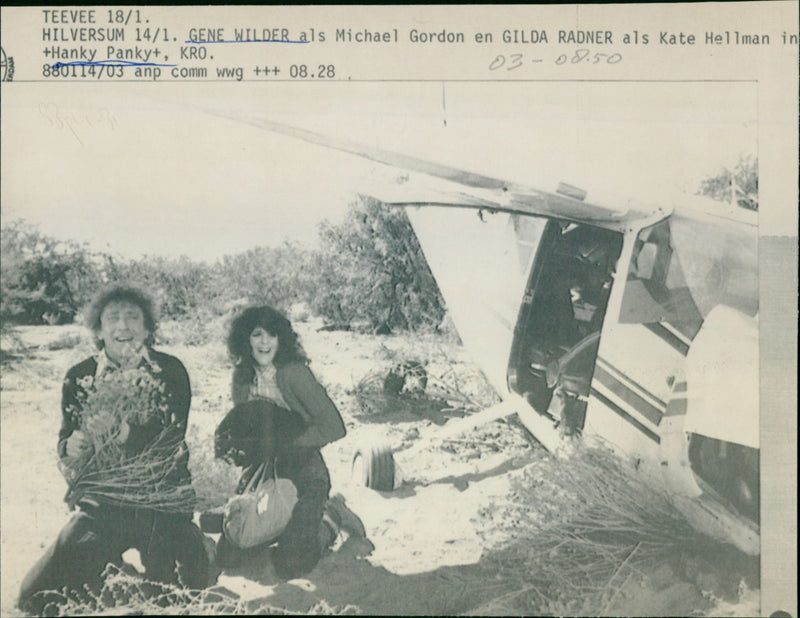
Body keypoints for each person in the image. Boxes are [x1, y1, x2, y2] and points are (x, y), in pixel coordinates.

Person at [18, 285, 209, 615]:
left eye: (133, 317)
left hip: (162, 505)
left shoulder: (171, 370)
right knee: (35, 597)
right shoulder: (79, 376)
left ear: (148, 328)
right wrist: (70, 446)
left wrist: (126, 435)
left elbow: (172, 436)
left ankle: (202, 547)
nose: (123, 327)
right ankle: (116, 566)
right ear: (99, 329)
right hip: (103, 508)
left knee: (177, 597)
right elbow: (66, 438)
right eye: (113, 318)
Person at [213, 305, 364, 580]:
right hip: (264, 468)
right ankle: (285, 525)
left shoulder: (294, 373)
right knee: (230, 556)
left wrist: (290, 444)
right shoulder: (242, 377)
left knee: (292, 562)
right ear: (245, 339)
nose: (264, 342)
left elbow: (335, 427)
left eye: (271, 334)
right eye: (257, 334)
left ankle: (330, 516)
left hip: (305, 467)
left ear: (281, 339)